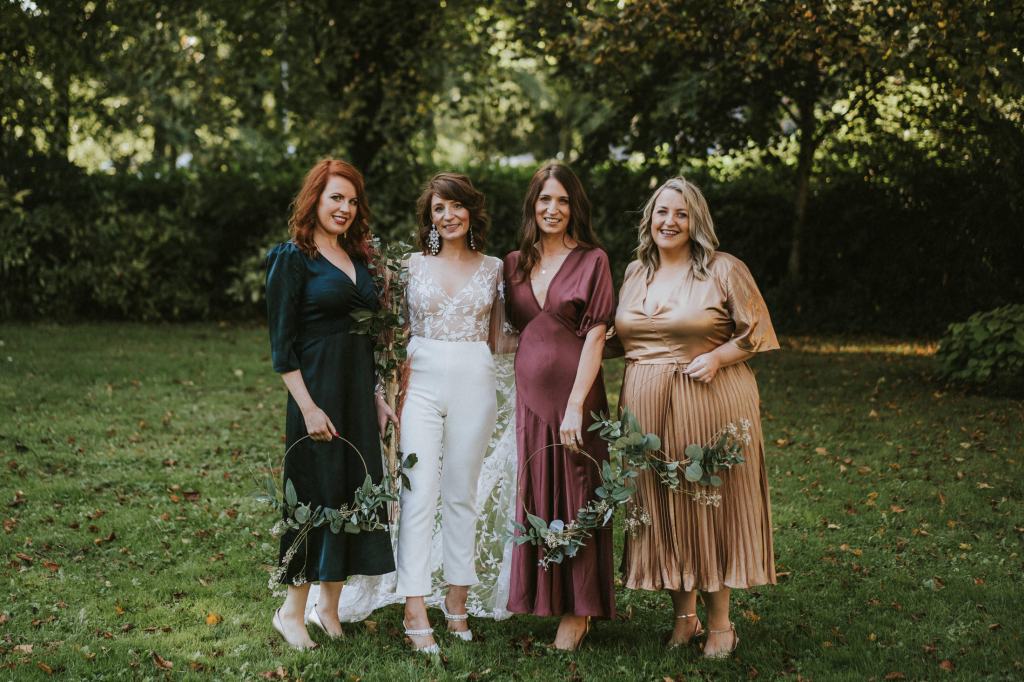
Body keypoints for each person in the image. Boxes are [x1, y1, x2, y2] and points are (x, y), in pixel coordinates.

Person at [613, 177, 779, 658]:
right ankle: (684, 619)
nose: (669, 222)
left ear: (696, 221)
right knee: (664, 507)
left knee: (707, 504)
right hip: (644, 406)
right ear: (649, 219)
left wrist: (719, 357)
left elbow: (756, 331)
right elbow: (619, 338)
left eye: (681, 214)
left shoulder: (723, 269)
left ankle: (722, 625)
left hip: (707, 398)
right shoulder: (634, 272)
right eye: (662, 212)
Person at [265, 159, 398, 650]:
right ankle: (291, 611)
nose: (344, 208)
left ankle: (329, 607)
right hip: (316, 393)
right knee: (315, 494)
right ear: (314, 200)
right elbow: (282, 347)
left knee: (351, 492)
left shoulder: (358, 258)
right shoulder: (292, 258)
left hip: (356, 396)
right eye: (335, 198)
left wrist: (376, 397)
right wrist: (308, 408)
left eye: (352, 200)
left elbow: (367, 338)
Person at [396, 172, 514, 654]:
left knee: (461, 492)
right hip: (420, 381)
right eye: (439, 209)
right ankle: (414, 604)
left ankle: (457, 600)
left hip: (474, 379)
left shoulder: (494, 268)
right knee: (417, 490)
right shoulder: (409, 266)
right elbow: (395, 333)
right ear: (429, 219)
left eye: (456, 206)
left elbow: (503, 337)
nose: (448, 216)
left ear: (471, 211)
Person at [503, 162, 615, 650]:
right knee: (541, 491)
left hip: (577, 398)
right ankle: (548, 597)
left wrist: (575, 406)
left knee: (578, 491)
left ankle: (580, 610)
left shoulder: (593, 260)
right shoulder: (514, 263)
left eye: (563, 200)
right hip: (530, 402)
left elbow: (596, 336)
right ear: (532, 205)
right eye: (545, 199)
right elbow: (511, 333)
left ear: (575, 208)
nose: (553, 209)